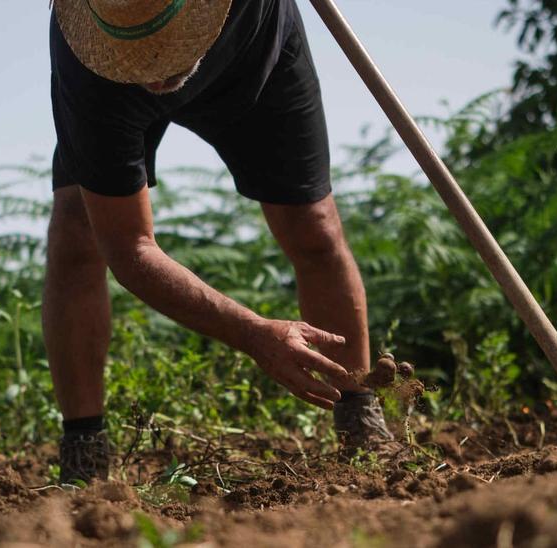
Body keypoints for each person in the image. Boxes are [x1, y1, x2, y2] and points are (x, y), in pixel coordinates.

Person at [46, 0, 392, 485]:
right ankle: (83, 450)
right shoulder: (90, 67)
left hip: (253, 54)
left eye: (164, 48)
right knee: (80, 228)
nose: (154, 66)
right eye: (140, 51)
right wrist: (253, 332)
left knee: (314, 228)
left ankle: (360, 420)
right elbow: (130, 248)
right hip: (112, 92)